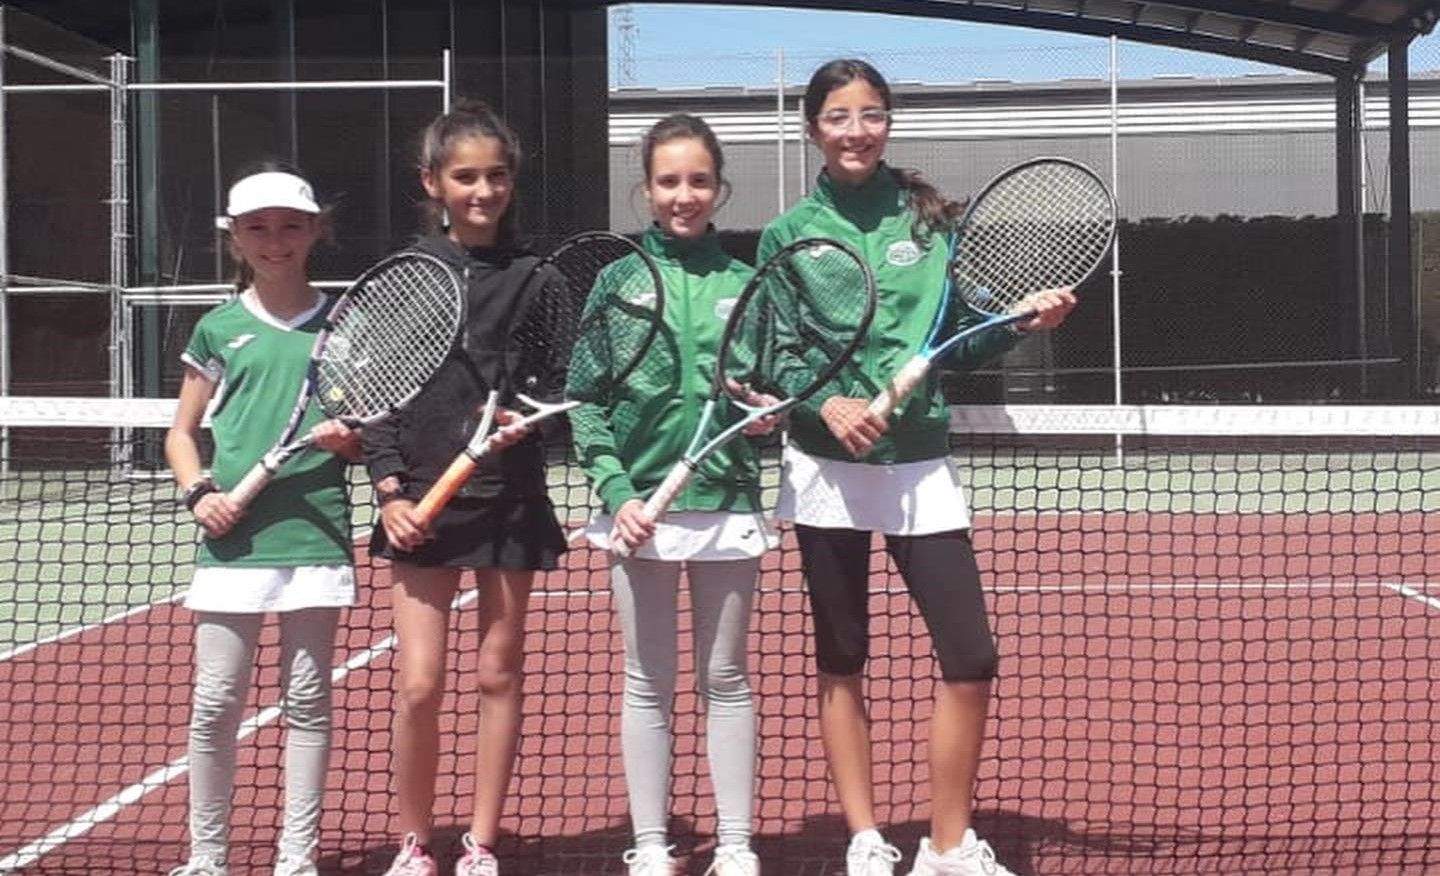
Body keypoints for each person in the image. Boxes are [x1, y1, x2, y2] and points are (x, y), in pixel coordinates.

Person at [757, 60, 1077, 876]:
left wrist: (1022, 321)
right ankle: (866, 839)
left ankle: (946, 845)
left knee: (970, 657)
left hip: (920, 466)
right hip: (827, 470)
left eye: (869, 114)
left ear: (888, 122)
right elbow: (772, 355)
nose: (856, 130)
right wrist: (821, 405)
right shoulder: (787, 235)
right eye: (838, 116)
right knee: (842, 658)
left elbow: (961, 328)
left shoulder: (930, 224)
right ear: (813, 129)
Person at [570, 113, 777, 876]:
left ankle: (734, 846)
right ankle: (651, 845)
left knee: (725, 678)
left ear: (719, 187)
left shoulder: (747, 282)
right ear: (646, 190)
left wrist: (762, 414)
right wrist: (617, 488)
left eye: (698, 180)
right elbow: (586, 398)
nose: (683, 195)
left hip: (725, 503)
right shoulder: (615, 280)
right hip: (639, 514)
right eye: (668, 181)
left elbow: (768, 394)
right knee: (646, 681)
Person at [367, 100, 566, 876]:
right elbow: (374, 393)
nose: (482, 190)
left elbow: (561, 389)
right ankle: (415, 843)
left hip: (512, 501)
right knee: (419, 684)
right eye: (465, 176)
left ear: (511, 180)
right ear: (434, 182)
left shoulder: (536, 279)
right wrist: (388, 490)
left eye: (495, 175)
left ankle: (481, 842)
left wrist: (535, 423)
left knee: (498, 674)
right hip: (420, 505)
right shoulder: (406, 276)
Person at [165, 164, 361, 876]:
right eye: (257, 228)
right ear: (235, 240)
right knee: (215, 704)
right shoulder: (218, 328)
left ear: (316, 231)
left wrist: (352, 441)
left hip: (316, 538)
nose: (274, 240)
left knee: (307, 702)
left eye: (290, 226)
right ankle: (207, 859)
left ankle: (296, 859)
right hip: (232, 544)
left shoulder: (344, 323)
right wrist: (199, 493)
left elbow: (363, 429)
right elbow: (182, 434)